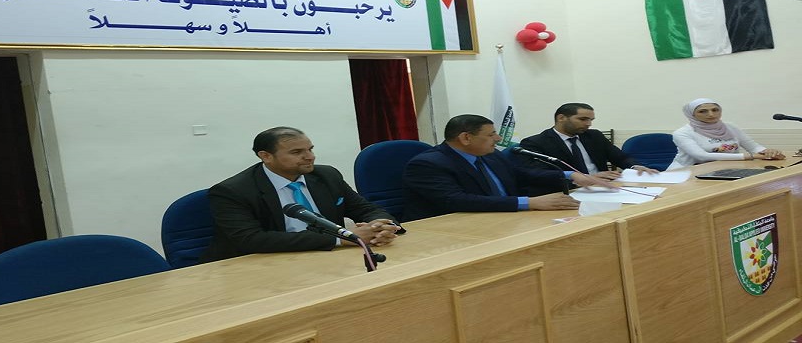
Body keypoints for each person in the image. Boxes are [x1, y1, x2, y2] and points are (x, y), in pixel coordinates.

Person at [201, 127, 402, 263]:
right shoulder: (232, 191)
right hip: (263, 265)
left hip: (328, 259)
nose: (310, 157)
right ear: (266, 156)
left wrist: (378, 227)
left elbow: (366, 209)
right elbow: (252, 239)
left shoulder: (326, 175)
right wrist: (341, 239)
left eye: (310, 149)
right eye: (297, 152)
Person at [402, 114, 612, 220]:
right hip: (451, 229)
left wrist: (571, 175)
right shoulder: (428, 164)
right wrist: (529, 202)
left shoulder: (491, 155)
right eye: (491, 134)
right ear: (466, 138)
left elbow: (522, 174)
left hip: (500, 218)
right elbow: (456, 200)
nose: (499, 138)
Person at [517, 103, 657, 195]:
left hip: (606, 187)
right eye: (583, 119)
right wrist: (583, 179)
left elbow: (620, 157)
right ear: (561, 118)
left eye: (591, 120)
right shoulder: (535, 143)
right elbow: (536, 174)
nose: (588, 124)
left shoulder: (594, 136)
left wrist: (635, 166)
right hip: (571, 191)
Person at [668, 98, 785, 169]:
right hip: (686, 173)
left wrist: (767, 152)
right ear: (692, 114)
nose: (711, 114)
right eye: (703, 111)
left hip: (726, 169)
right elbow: (702, 156)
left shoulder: (730, 127)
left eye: (715, 110)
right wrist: (751, 156)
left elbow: (754, 147)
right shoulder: (682, 133)